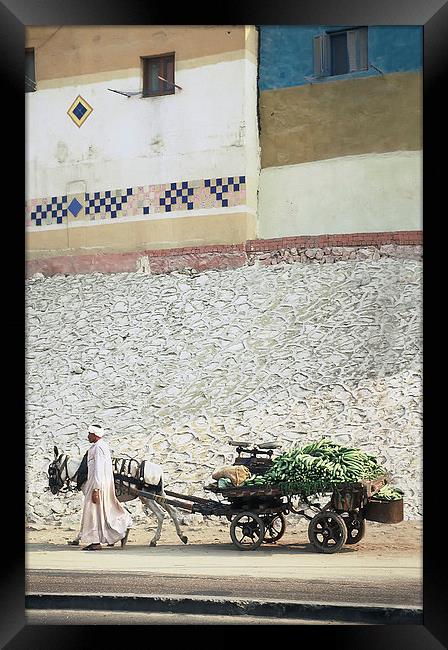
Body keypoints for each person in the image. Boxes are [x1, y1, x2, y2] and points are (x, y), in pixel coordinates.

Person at [78, 424, 133, 551]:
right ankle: (95, 540)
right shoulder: (96, 447)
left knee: (95, 512)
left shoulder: (99, 448)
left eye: (89, 434)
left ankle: (124, 523)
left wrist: (96, 489)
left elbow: (99, 469)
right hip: (96, 483)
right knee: (96, 513)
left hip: (98, 484)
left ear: (95, 435)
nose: (87, 436)